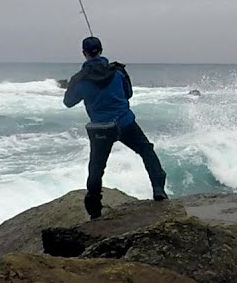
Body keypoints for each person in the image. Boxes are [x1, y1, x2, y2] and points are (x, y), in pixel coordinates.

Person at [63, 36, 167, 218]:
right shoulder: (118, 72)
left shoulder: (81, 80)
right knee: (146, 150)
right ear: (101, 50)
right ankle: (158, 189)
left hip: (100, 128)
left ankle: (94, 208)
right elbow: (128, 94)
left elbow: (68, 102)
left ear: (84, 54)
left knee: (96, 166)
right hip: (125, 123)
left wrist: (73, 84)